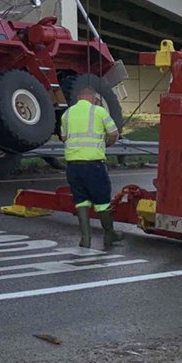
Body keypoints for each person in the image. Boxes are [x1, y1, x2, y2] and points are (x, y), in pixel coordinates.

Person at [61, 86, 123, 250]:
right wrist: (106, 144)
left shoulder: (67, 114)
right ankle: (109, 234)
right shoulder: (99, 111)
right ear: (94, 98)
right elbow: (113, 133)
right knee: (102, 201)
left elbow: (64, 137)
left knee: (81, 201)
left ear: (79, 98)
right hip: (93, 164)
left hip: (73, 166)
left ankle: (85, 239)